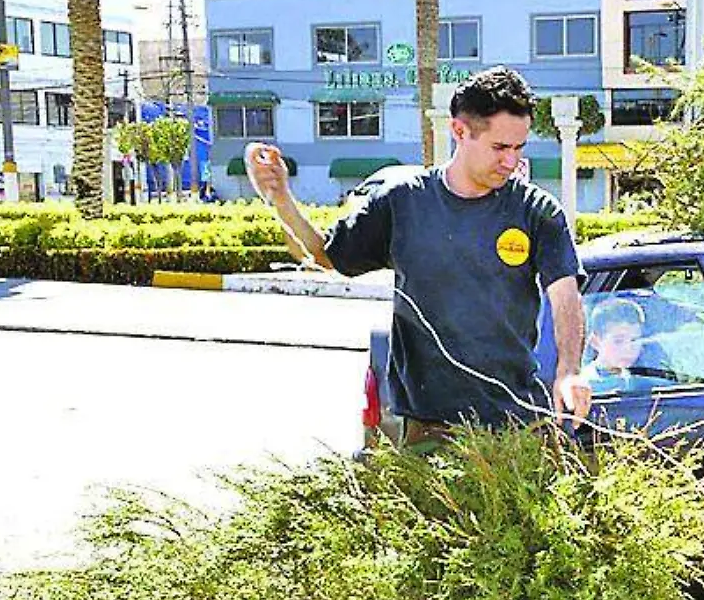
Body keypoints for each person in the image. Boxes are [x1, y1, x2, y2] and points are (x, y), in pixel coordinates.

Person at [244, 66, 591, 446]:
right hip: (426, 430)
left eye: (518, 148)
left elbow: (564, 293)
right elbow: (327, 256)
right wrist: (280, 200)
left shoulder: (536, 210)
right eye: (499, 148)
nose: (511, 162)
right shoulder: (402, 201)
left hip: (515, 424)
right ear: (459, 131)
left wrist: (569, 370)